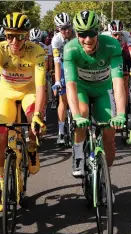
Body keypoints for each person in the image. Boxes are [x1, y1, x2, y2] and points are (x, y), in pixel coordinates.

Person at [0, 12, 47, 212]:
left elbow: (40, 87)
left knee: (34, 120)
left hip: (29, 93)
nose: (14, 41)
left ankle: (31, 146)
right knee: (1, 137)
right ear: (5, 35)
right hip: (6, 94)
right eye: (9, 36)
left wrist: (38, 115)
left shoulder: (37, 51)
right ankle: (3, 186)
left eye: (20, 36)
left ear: (28, 35)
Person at [65, 10, 127, 182]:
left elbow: (118, 82)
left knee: (109, 135)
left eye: (92, 33)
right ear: (76, 34)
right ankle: (78, 154)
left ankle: (104, 179)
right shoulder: (70, 49)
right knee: (82, 112)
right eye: (82, 35)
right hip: (81, 89)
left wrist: (121, 113)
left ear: (98, 31)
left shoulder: (111, 45)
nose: (88, 39)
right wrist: (76, 115)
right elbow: (70, 85)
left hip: (103, 90)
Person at [51, 12, 76, 145]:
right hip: (63, 65)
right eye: (62, 29)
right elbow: (56, 62)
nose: (66, 31)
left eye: (68, 27)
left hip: (77, 64)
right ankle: (61, 132)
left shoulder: (77, 35)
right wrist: (57, 81)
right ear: (58, 29)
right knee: (63, 99)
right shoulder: (56, 40)